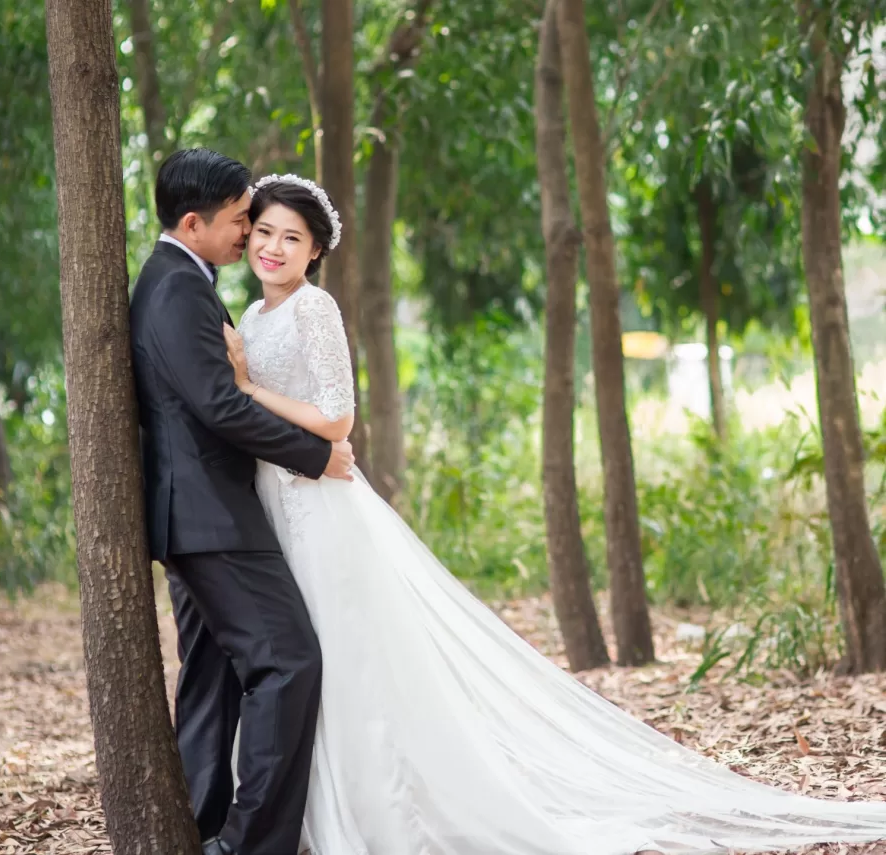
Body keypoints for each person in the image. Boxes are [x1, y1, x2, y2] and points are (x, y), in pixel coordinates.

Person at [223, 171, 886, 855]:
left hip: (324, 510)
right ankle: (302, 808)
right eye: (265, 232)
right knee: (298, 657)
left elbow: (336, 416)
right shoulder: (252, 315)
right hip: (277, 503)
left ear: (315, 251)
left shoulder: (312, 309)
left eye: (291, 237)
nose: (272, 247)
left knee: (343, 656)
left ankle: (368, 810)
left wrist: (249, 389)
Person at [129, 149, 355, 855]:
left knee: (213, 676)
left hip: (201, 510)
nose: (250, 235)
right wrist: (319, 457)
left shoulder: (184, 279)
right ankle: (249, 844)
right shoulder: (177, 290)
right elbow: (219, 403)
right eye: (239, 222)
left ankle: (197, 826)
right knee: (289, 662)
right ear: (192, 223)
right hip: (212, 514)